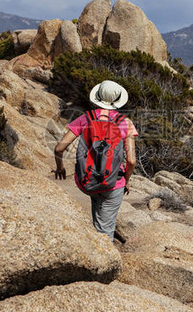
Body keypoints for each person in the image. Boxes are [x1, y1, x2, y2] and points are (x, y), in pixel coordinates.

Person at [53, 80, 137, 241]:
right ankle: (105, 259)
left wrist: (60, 167)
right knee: (105, 232)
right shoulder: (125, 123)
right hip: (114, 183)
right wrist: (126, 180)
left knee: (98, 218)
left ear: (97, 97)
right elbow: (131, 161)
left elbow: (58, 148)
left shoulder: (86, 118)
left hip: (88, 179)